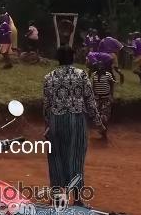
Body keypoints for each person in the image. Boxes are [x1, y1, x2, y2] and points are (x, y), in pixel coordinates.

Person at [43, 45, 103, 206]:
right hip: (76, 120)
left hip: (56, 120)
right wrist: (98, 123)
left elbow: (47, 106)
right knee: (75, 158)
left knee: (55, 159)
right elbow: (90, 102)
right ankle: (77, 199)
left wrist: (48, 125)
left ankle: (55, 197)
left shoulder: (49, 77)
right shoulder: (81, 75)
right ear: (73, 57)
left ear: (58, 58)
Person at [91, 63, 115, 139]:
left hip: (106, 98)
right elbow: (93, 86)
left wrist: (111, 95)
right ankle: (102, 130)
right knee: (96, 115)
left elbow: (112, 84)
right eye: (98, 68)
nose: (100, 69)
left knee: (104, 116)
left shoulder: (108, 75)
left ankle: (104, 131)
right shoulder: (94, 75)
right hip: (97, 98)